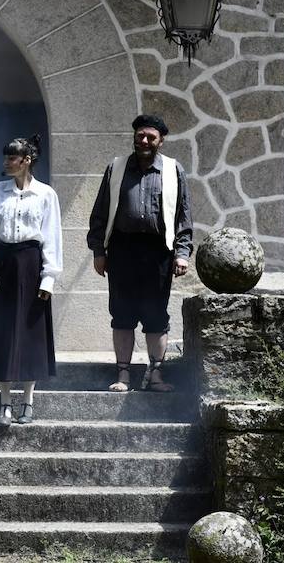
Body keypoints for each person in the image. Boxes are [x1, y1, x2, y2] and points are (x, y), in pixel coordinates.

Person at [86, 114, 193, 392]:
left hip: (159, 251)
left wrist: (182, 253)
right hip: (122, 249)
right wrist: (99, 250)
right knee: (122, 313)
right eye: (140, 136)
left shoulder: (172, 170)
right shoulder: (116, 168)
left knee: (156, 314)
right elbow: (99, 212)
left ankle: (155, 376)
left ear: (161, 141)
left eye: (150, 137)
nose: (144, 141)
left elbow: (183, 216)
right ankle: (123, 376)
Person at [0, 135, 62, 425]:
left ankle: (28, 401)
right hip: (3, 265)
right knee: (3, 332)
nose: (7, 163)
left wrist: (48, 278)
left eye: (12, 158)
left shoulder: (46, 194)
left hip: (31, 265)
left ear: (27, 161)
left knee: (30, 333)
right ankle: (4, 403)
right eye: (6, 157)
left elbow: (52, 237)